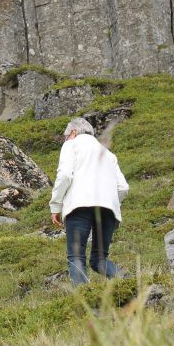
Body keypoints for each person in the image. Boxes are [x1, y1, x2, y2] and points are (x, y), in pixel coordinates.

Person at [49, 117, 129, 286]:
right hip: (108, 209)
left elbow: (64, 175)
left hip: (80, 206)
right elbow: (123, 187)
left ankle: (85, 299)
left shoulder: (71, 144)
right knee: (99, 259)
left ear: (73, 132)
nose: (65, 139)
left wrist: (55, 205)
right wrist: (112, 204)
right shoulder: (108, 154)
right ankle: (130, 284)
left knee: (76, 256)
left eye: (66, 136)